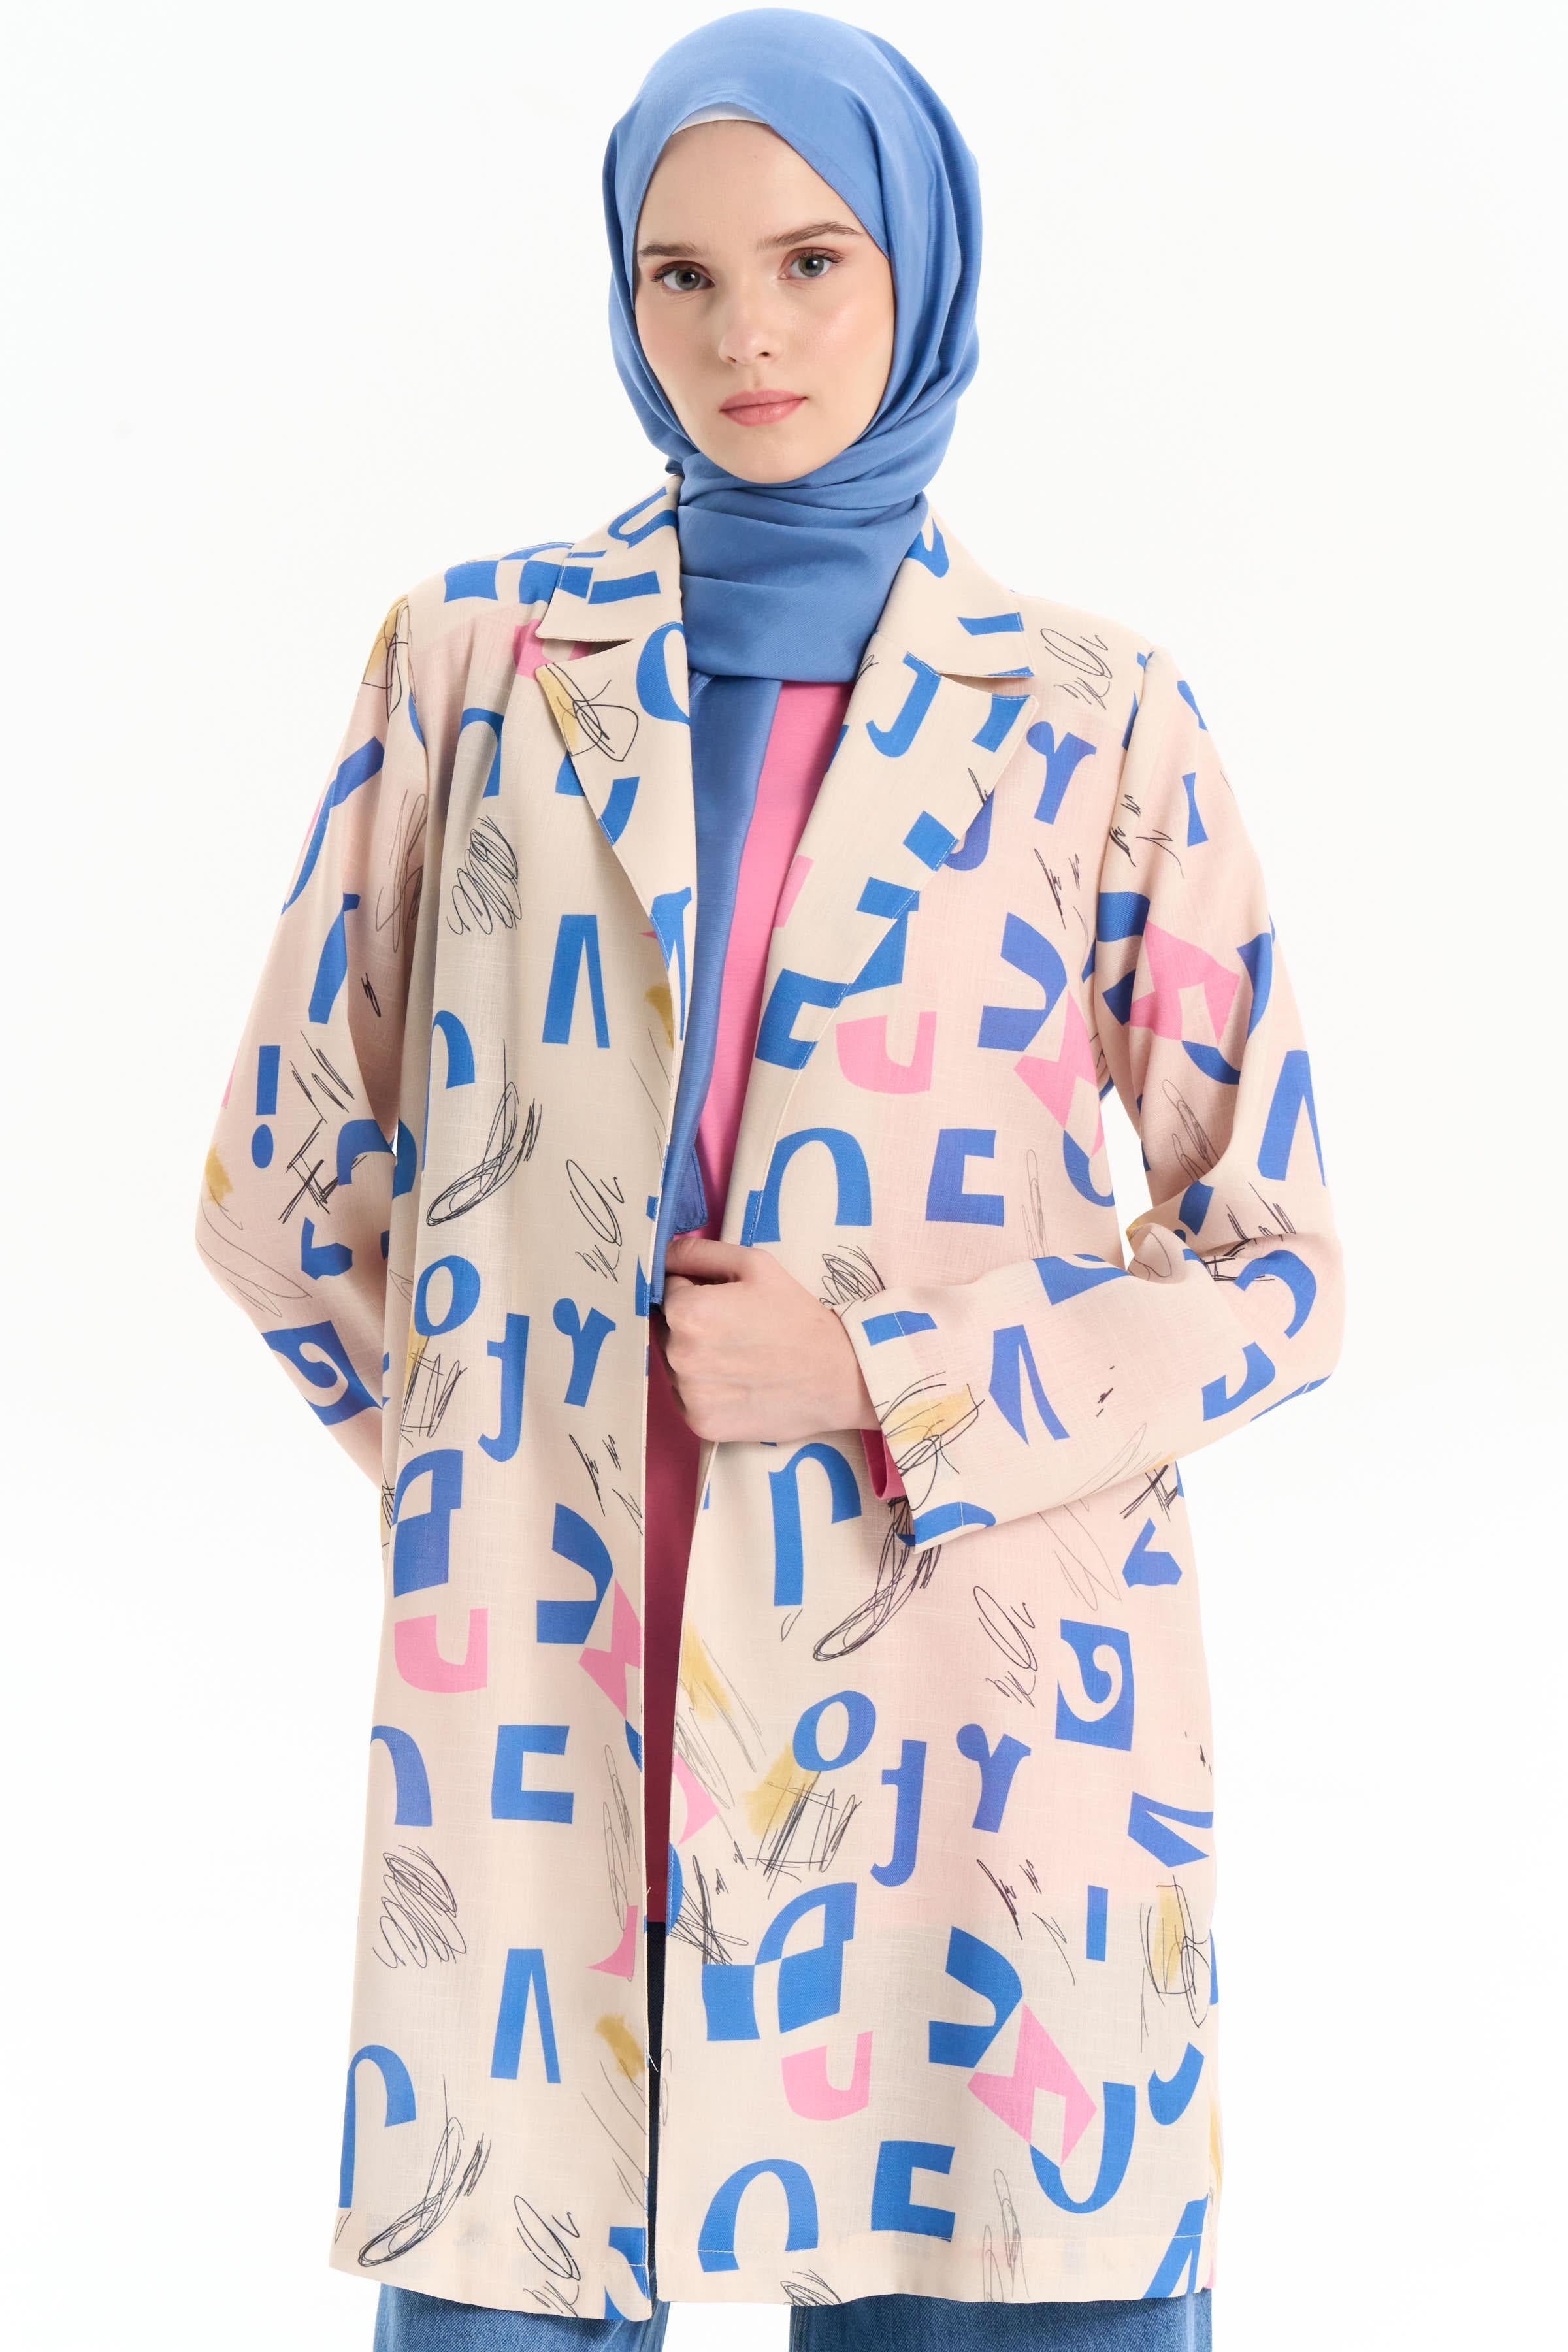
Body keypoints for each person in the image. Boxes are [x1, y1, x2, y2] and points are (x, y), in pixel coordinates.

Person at [194, 10, 1345, 2348]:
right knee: (518, 2268)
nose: (749, 336)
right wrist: (514, 1468)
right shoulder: (475, 663)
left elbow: (1279, 1268)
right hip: (561, 1712)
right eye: (684, 275)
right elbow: (280, 1186)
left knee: (992, 2272)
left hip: (970, 1716)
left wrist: (882, 1377)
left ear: (920, 269)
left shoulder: (1096, 714)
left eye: (814, 261)